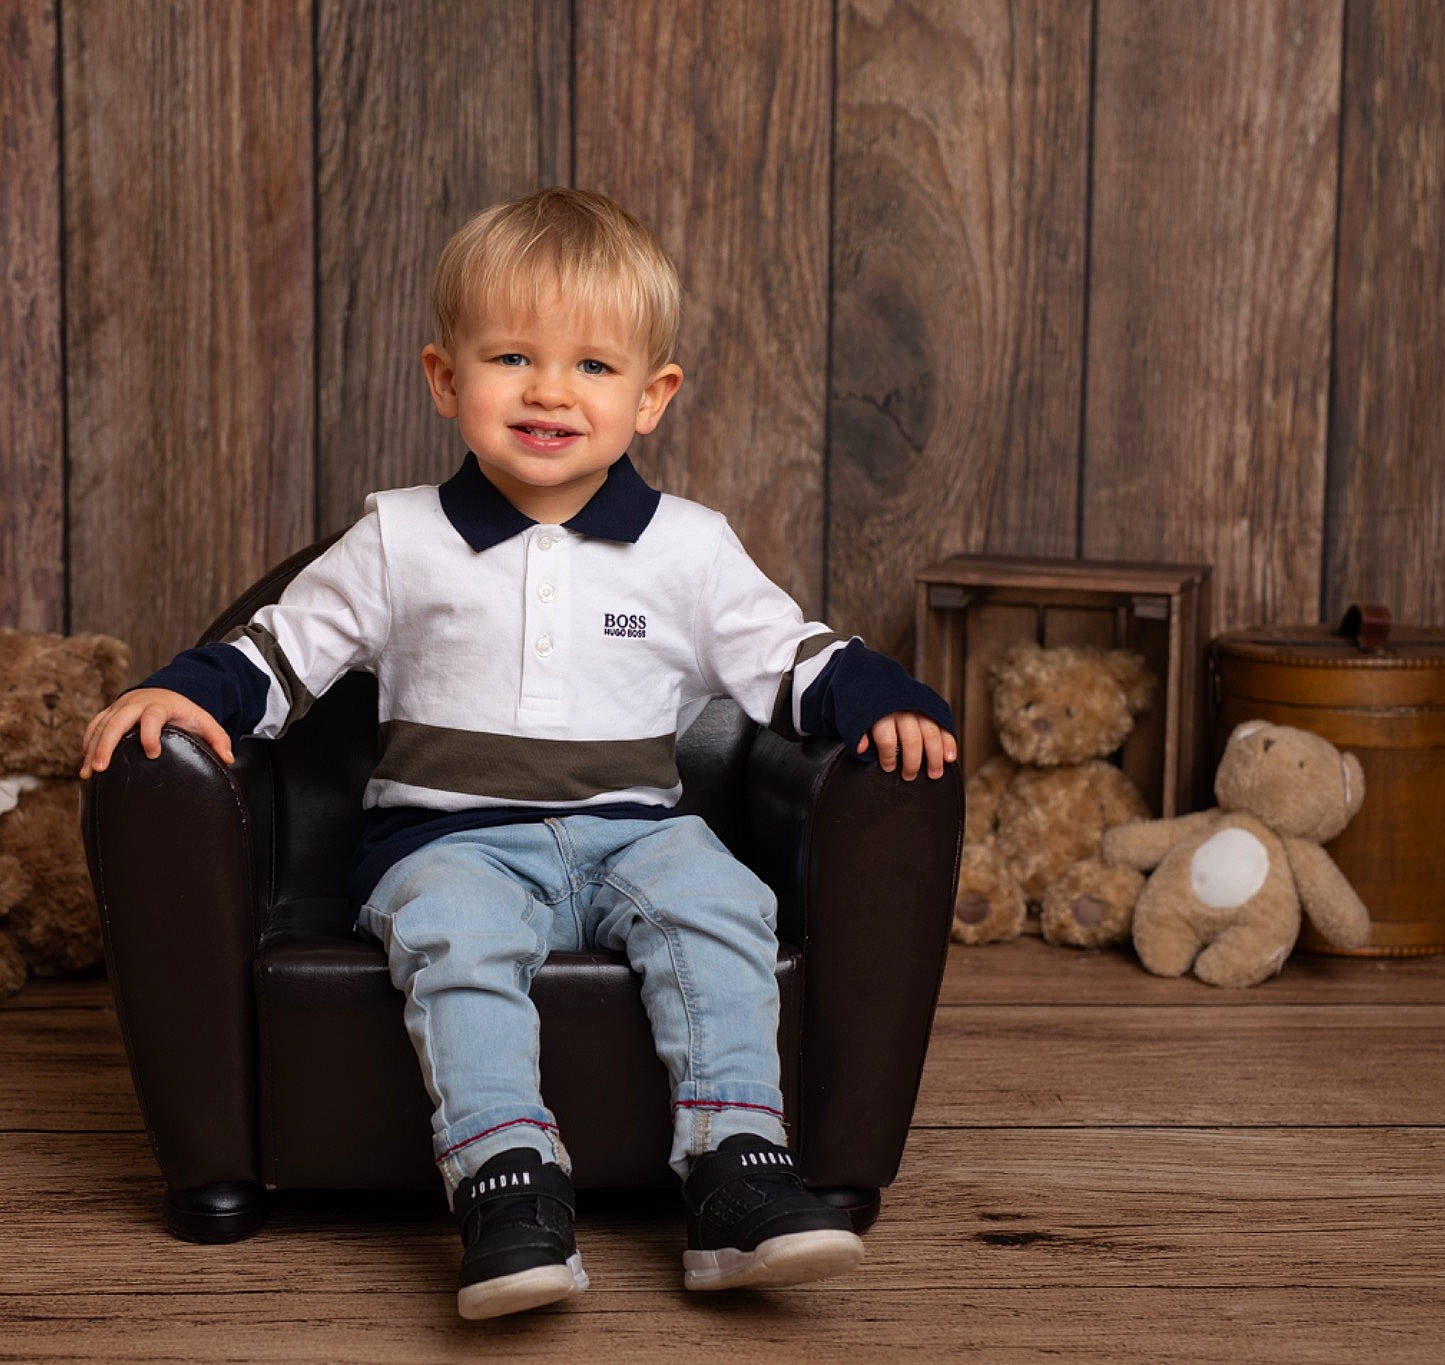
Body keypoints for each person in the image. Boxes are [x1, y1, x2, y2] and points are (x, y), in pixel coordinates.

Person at [81, 188, 956, 1320]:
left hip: (637, 834)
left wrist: (887, 700)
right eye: (511, 358)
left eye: (592, 365)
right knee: (459, 937)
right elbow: (276, 655)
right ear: (446, 378)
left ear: (651, 397)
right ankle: (508, 1185)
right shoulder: (398, 538)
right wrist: (177, 691)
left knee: (722, 905)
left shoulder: (688, 550)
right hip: (448, 843)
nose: (549, 390)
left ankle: (737, 1171)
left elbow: (792, 659)